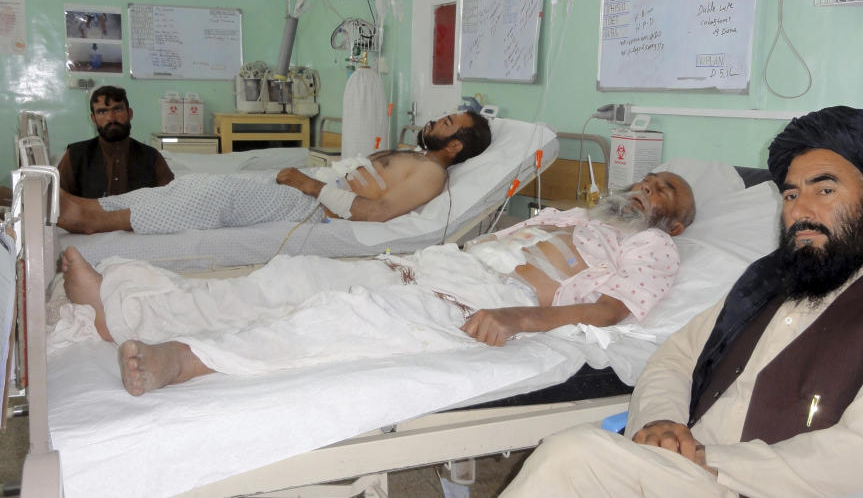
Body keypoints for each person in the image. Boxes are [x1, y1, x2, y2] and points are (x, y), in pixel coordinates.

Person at [500, 106, 863, 498]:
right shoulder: (769, 279)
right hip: (682, 472)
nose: (800, 210)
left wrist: (703, 459)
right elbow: (675, 356)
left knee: (571, 457)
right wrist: (661, 421)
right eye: (791, 194)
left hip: (752, 486)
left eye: (824, 190)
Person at [57, 171, 696, 396]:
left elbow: (612, 309)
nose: (648, 186)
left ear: (675, 219)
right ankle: (127, 317)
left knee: (344, 318)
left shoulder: (651, 246)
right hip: (436, 266)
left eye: (664, 190)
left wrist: (519, 319)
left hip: (479, 302)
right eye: (651, 177)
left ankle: (189, 362)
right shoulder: (574, 214)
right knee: (289, 275)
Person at [56, 111, 491, 234]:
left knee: (216, 199)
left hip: (318, 207)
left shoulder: (432, 174)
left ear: (454, 147)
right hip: (311, 188)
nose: (436, 122)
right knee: (199, 185)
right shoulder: (413, 153)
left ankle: (96, 220)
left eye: (447, 125)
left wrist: (308, 183)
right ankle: (91, 206)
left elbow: (377, 213)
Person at [57, 85, 174, 199]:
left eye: (117, 109)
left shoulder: (152, 157)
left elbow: (171, 200)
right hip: (89, 218)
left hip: (137, 219)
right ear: (93, 119)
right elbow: (57, 201)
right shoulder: (75, 156)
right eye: (102, 112)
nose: (111, 118)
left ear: (130, 114)